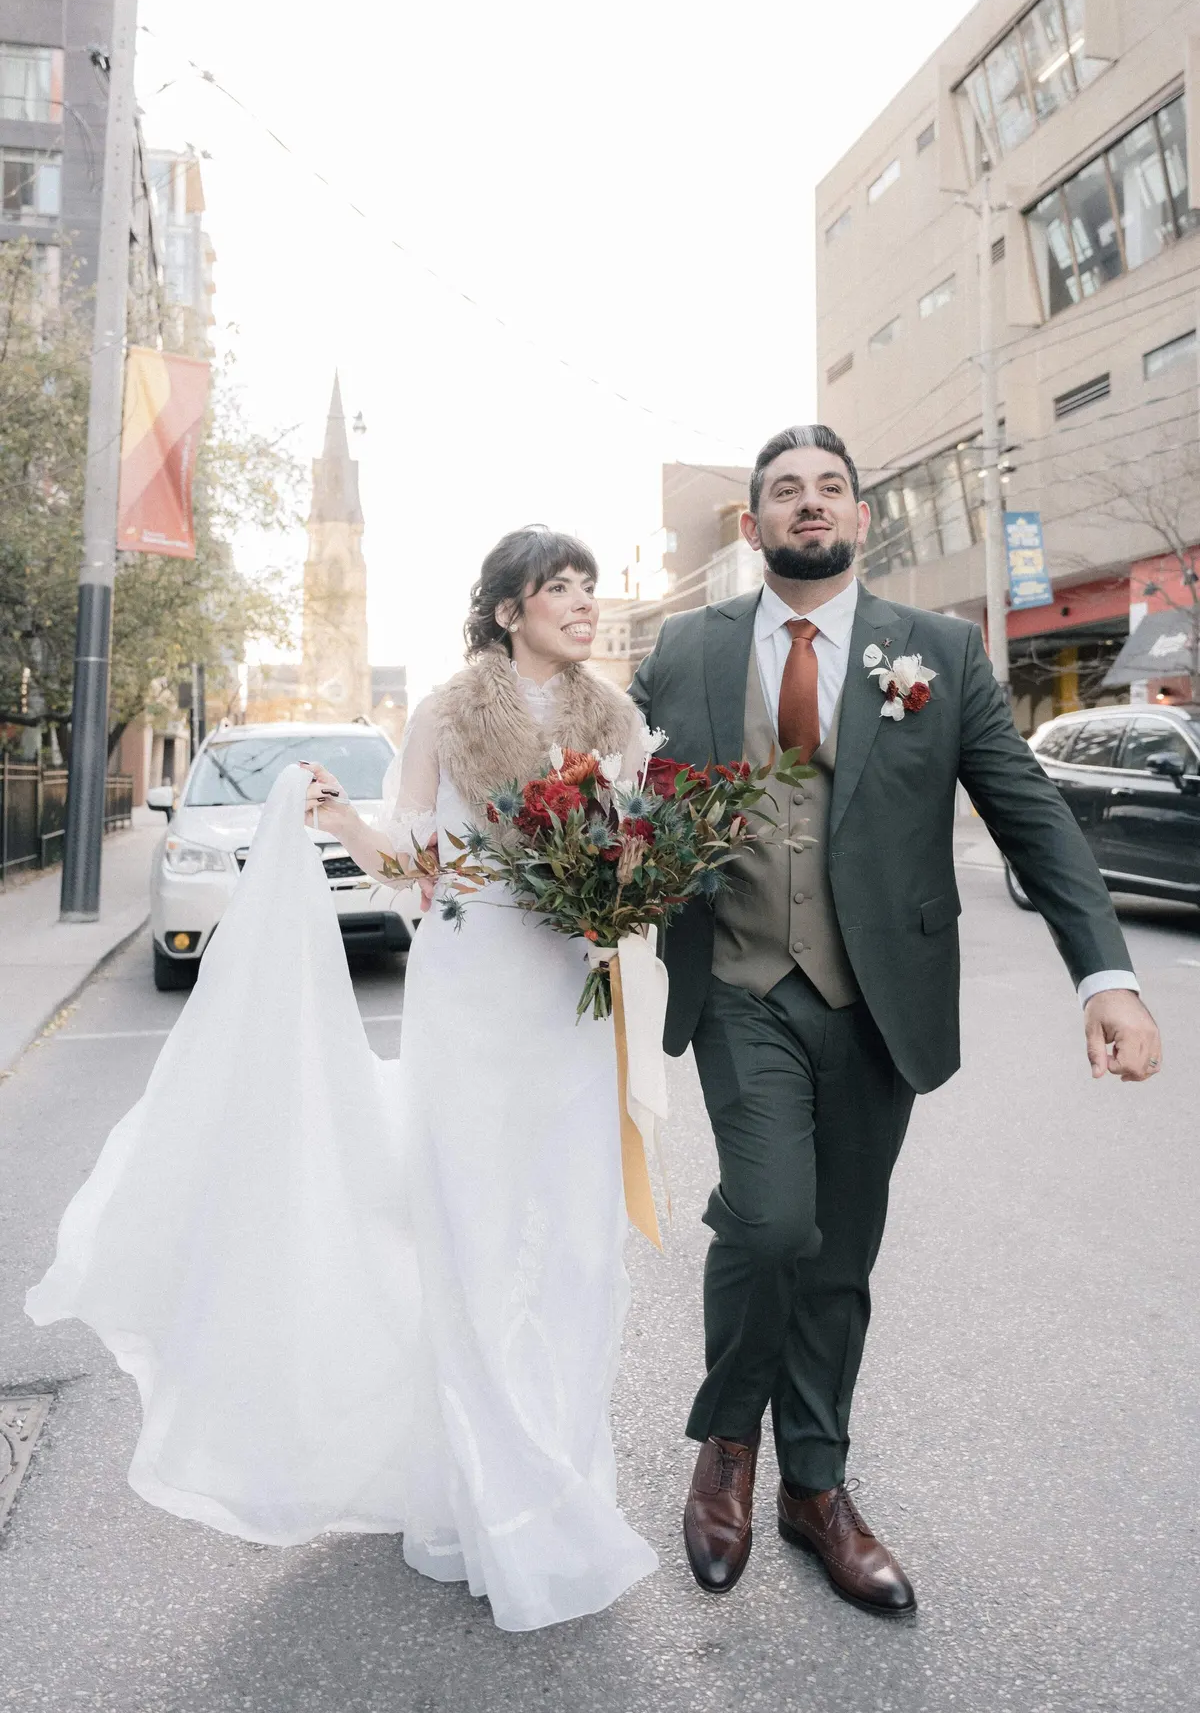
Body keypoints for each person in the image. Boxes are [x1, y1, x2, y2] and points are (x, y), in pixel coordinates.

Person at [28, 527, 657, 1634]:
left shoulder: (618, 723)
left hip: (569, 1004)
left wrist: (629, 888)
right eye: (559, 589)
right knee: (470, 1239)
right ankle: (490, 1496)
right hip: (470, 1004)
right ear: (508, 608)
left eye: (588, 590)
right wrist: (337, 819)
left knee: (572, 1241)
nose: (582, 605)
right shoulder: (450, 715)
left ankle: (559, 1469)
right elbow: (415, 863)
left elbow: (638, 853)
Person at [630, 423, 1162, 1614]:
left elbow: (1030, 818)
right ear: (754, 524)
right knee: (769, 1224)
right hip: (739, 986)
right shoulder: (682, 652)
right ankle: (728, 1446)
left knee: (840, 1258)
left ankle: (816, 1485)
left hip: (880, 1000)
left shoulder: (940, 652)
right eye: (784, 492)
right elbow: (610, 781)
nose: (808, 506)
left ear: (863, 517)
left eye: (830, 489)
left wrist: (1107, 976)